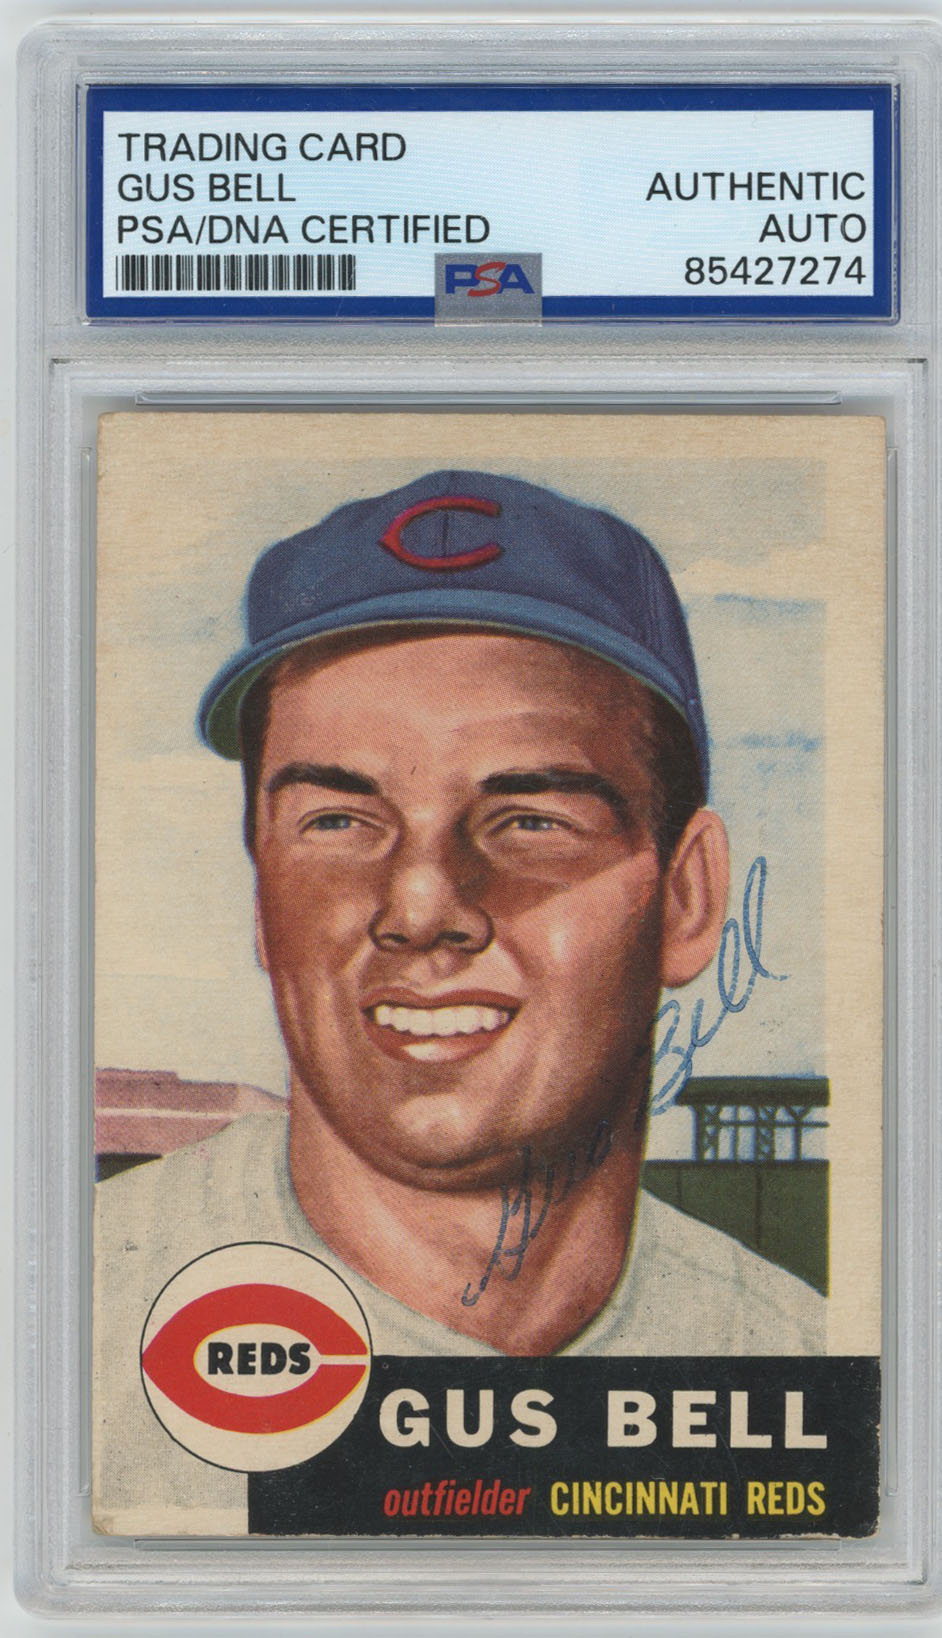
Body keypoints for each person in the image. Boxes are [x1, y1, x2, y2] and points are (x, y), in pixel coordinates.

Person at [93, 470, 824, 1529]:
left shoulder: (805, 1364)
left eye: (529, 822)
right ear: (261, 895)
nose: (420, 907)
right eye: (339, 823)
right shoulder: (61, 1319)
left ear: (685, 899)